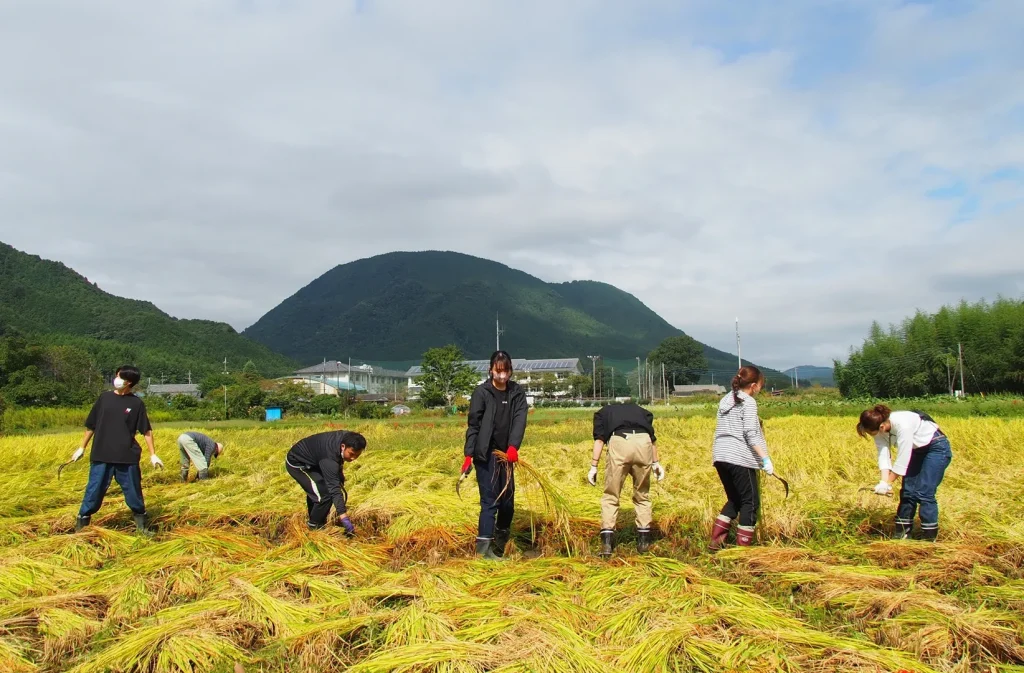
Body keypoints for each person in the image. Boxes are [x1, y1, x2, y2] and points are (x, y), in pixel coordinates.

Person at [66, 365, 165, 534]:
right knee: (94, 490)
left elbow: (146, 430)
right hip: (101, 454)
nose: (116, 379)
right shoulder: (104, 399)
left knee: (134, 492)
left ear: (129, 382)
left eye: (120, 377)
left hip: (126, 456)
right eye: (117, 375)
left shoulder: (136, 403)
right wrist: (81, 447)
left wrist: (153, 454)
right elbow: (91, 425)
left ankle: (142, 527)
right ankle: (81, 527)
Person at [460, 350, 528, 560]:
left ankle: (500, 540)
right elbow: (474, 425)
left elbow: (519, 420)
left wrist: (513, 447)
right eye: (498, 371)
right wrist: (468, 455)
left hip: (506, 454)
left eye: (505, 371)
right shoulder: (482, 393)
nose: (502, 376)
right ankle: (484, 550)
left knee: (507, 500)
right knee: (489, 501)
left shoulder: (516, 393)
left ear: (510, 371)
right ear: (491, 370)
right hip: (486, 453)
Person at [857, 405, 952, 541]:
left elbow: (902, 461)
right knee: (908, 491)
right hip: (916, 450)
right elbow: (883, 455)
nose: (873, 436)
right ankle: (902, 534)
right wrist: (883, 482)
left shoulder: (903, 424)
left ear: (882, 427)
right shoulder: (878, 428)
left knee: (924, 492)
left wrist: (888, 483)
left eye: (871, 433)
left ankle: (929, 538)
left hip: (936, 447)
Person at [708, 366, 774, 550]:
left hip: (720, 456)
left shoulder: (726, 399)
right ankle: (743, 550)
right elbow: (750, 434)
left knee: (735, 499)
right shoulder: (749, 402)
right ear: (753, 385)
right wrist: (765, 460)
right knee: (750, 501)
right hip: (739, 457)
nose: (760, 389)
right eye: (761, 385)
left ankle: (716, 542)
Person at [588, 402, 665, 557]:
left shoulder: (603, 413)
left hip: (620, 442)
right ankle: (643, 543)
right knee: (642, 495)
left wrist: (594, 466)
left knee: (611, 495)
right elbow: (652, 438)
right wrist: (656, 463)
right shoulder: (641, 411)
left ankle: (607, 546)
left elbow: (600, 440)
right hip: (644, 443)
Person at [285, 430, 366, 534]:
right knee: (324, 496)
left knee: (320, 490)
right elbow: (334, 489)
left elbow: (337, 465)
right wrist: (343, 516)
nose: (353, 458)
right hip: (298, 463)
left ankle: (316, 518)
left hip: (316, 460)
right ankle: (314, 527)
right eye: (351, 454)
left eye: (357, 455)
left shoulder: (348, 438)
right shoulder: (330, 459)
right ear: (343, 447)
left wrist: (339, 476)